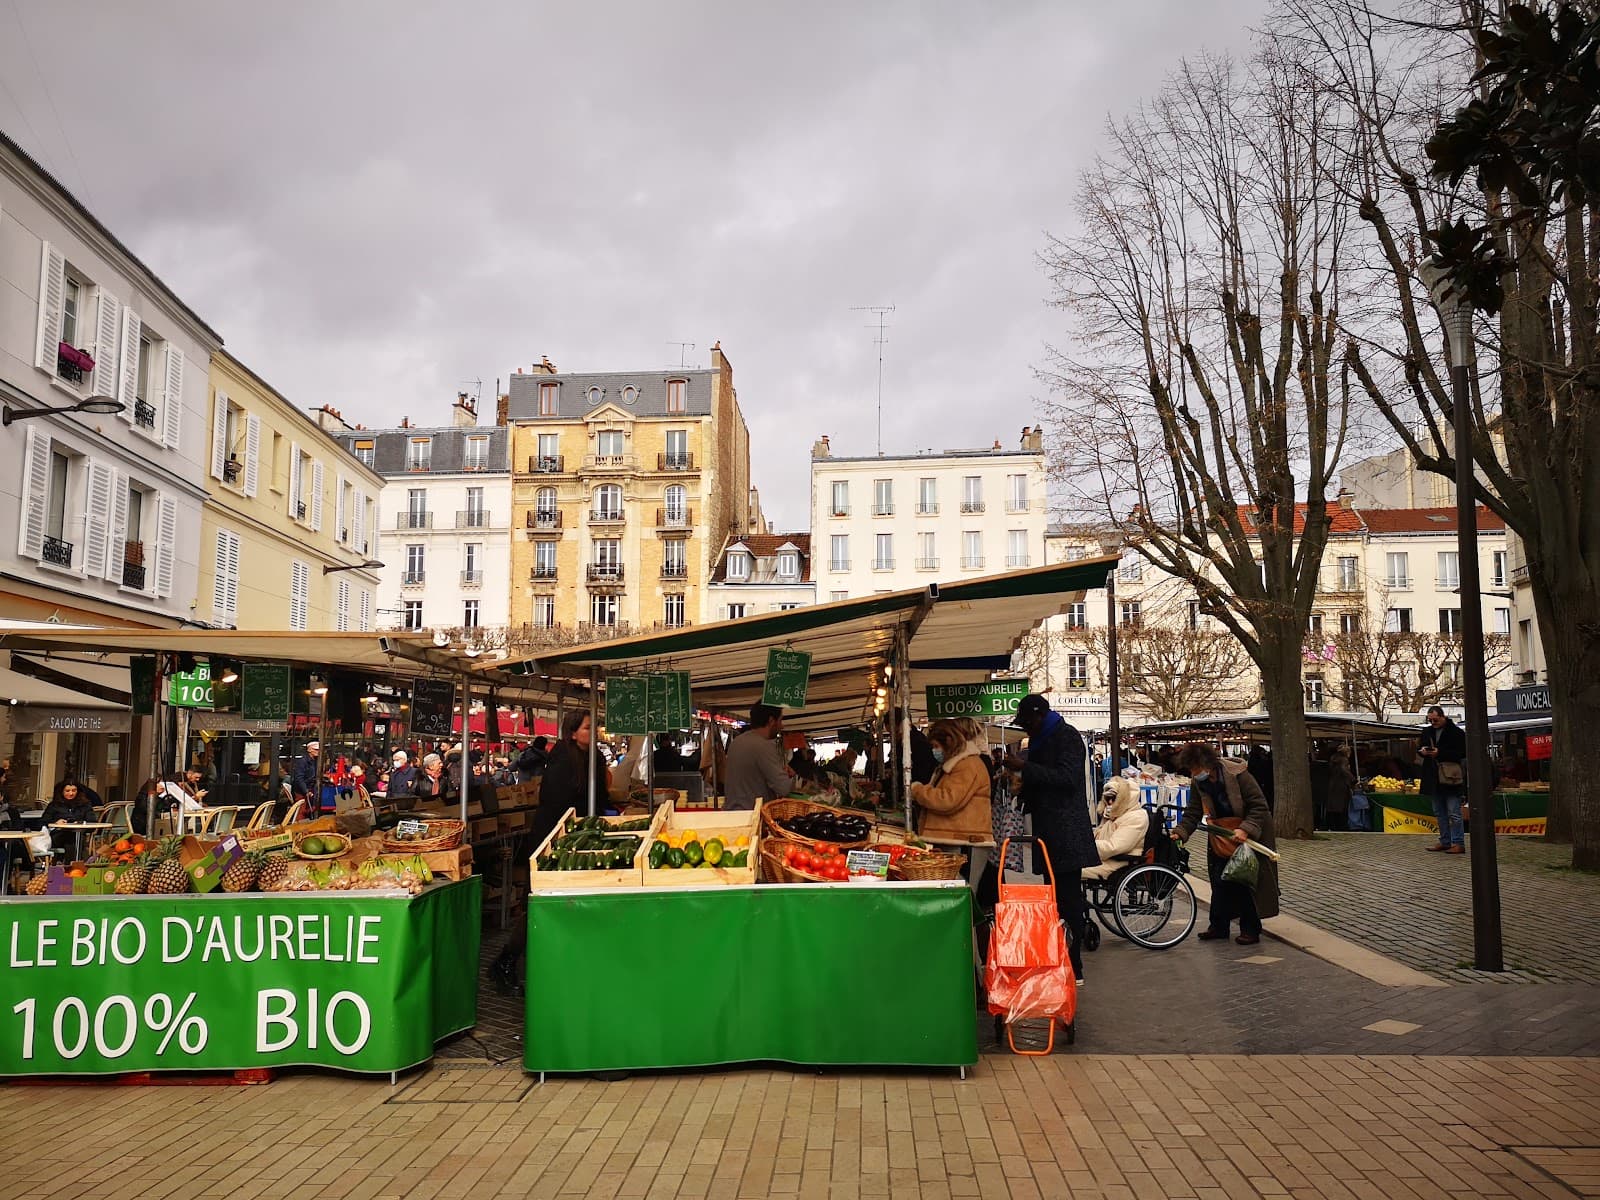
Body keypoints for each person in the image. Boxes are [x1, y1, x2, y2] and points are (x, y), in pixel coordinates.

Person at [493, 711, 596, 992]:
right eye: (588, 727)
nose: (594, 730)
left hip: (574, 838)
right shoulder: (563, 758)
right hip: (551, 841)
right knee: (538, 904)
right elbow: (554, 803)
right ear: (573, 732)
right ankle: (506, 961)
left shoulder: (591, 757)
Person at [1002, 694, 1098, 984]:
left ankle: (1074, 966)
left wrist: (1023, 767)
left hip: (1066, 834)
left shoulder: (1066, 737)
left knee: (1068, 900)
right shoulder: (1043, 739)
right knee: (1054, 900)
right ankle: (1059, 957)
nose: (1026, 729)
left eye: (1028, 722)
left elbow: (1066, 779)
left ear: (1040, 716)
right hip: (1048, 832)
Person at [1170, 741, 1279, 944]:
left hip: (1246, 833)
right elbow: (1193, 811)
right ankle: (1219, 926)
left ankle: (1250, 929)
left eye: (1195, 769)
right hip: (1221, 835)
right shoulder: (1198, 782)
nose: (1193, 774)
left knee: (1245, 881)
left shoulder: (1238, 775)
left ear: (1207, 764)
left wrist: (1246, 829)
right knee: (1220, 881)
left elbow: (1259, 805)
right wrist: (1181, 832)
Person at [909, 718, 992, 857]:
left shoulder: (967, 765)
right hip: (955, 838)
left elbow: (947, 800)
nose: (934, 751)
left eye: (936, 746)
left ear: (948, 741)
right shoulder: (954, 764)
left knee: (962, 879)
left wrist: (917, 790)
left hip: (964, 841)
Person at [724, 703, 793, 810]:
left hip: (733, 813)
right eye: (780, 720)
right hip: (752, 817)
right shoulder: (763, 746)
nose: (781, 726)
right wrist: (789, 776)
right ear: (771, 721)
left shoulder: (737, 742)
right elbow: (783, 788)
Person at [1081, 777, 1150, 881]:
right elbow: (1099, 836)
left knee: (1067, 869)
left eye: (1113, 799)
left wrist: (1086, 847)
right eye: (1107, 799)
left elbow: (1115, 846)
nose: (1109, 802)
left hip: (1117, 864)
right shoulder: (1114, 814)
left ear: (1123, 799)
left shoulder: (1136, 817)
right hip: (1105, 859)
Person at [1419, 705, 1467, 853]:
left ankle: (1458, 843)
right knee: (1439, 812)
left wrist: (1440, 753)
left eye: (1435, 720)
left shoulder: (1457, 733)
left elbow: (1462, 753)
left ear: (1443, 716)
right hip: (1433, 777)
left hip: (1450, 778)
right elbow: (1420, 747)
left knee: (1454, 812)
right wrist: (1422, 752)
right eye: (1430, 720)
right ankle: (1445, 841)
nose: (1433, 723)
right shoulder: (1427, 732)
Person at [42, 778, 97, 858]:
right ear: (62, 791)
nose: (71, 793)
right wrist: (55, 824)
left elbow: (92, 821)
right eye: (67, 791)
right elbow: (42, 822)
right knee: (70, 840)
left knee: (73, 840)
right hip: (58, 835)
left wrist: (80, 823)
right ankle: (71, 864)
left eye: (74, 790)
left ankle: (71, 865)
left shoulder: (85, 804)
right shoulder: (54, 805)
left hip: (78, 834)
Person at [1324, 748, 1354, 832]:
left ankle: (1332, 825)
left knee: (1333, 807)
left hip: (1333, 785)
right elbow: (1344, 770)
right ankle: (1341, 826)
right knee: (1342, 807)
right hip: (1342, 785)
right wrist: (1353, 779)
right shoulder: (1344, 760)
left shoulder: (1333, 759)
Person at [292, 740, 321, 813]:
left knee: (311, 810)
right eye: (316, 749)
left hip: (311, 789)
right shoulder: (302, 762)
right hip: (301, 791)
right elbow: (299, 778)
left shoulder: (316, 761)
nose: (318, 751)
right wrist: (305, 791)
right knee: (301, 812)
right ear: (309, 750)